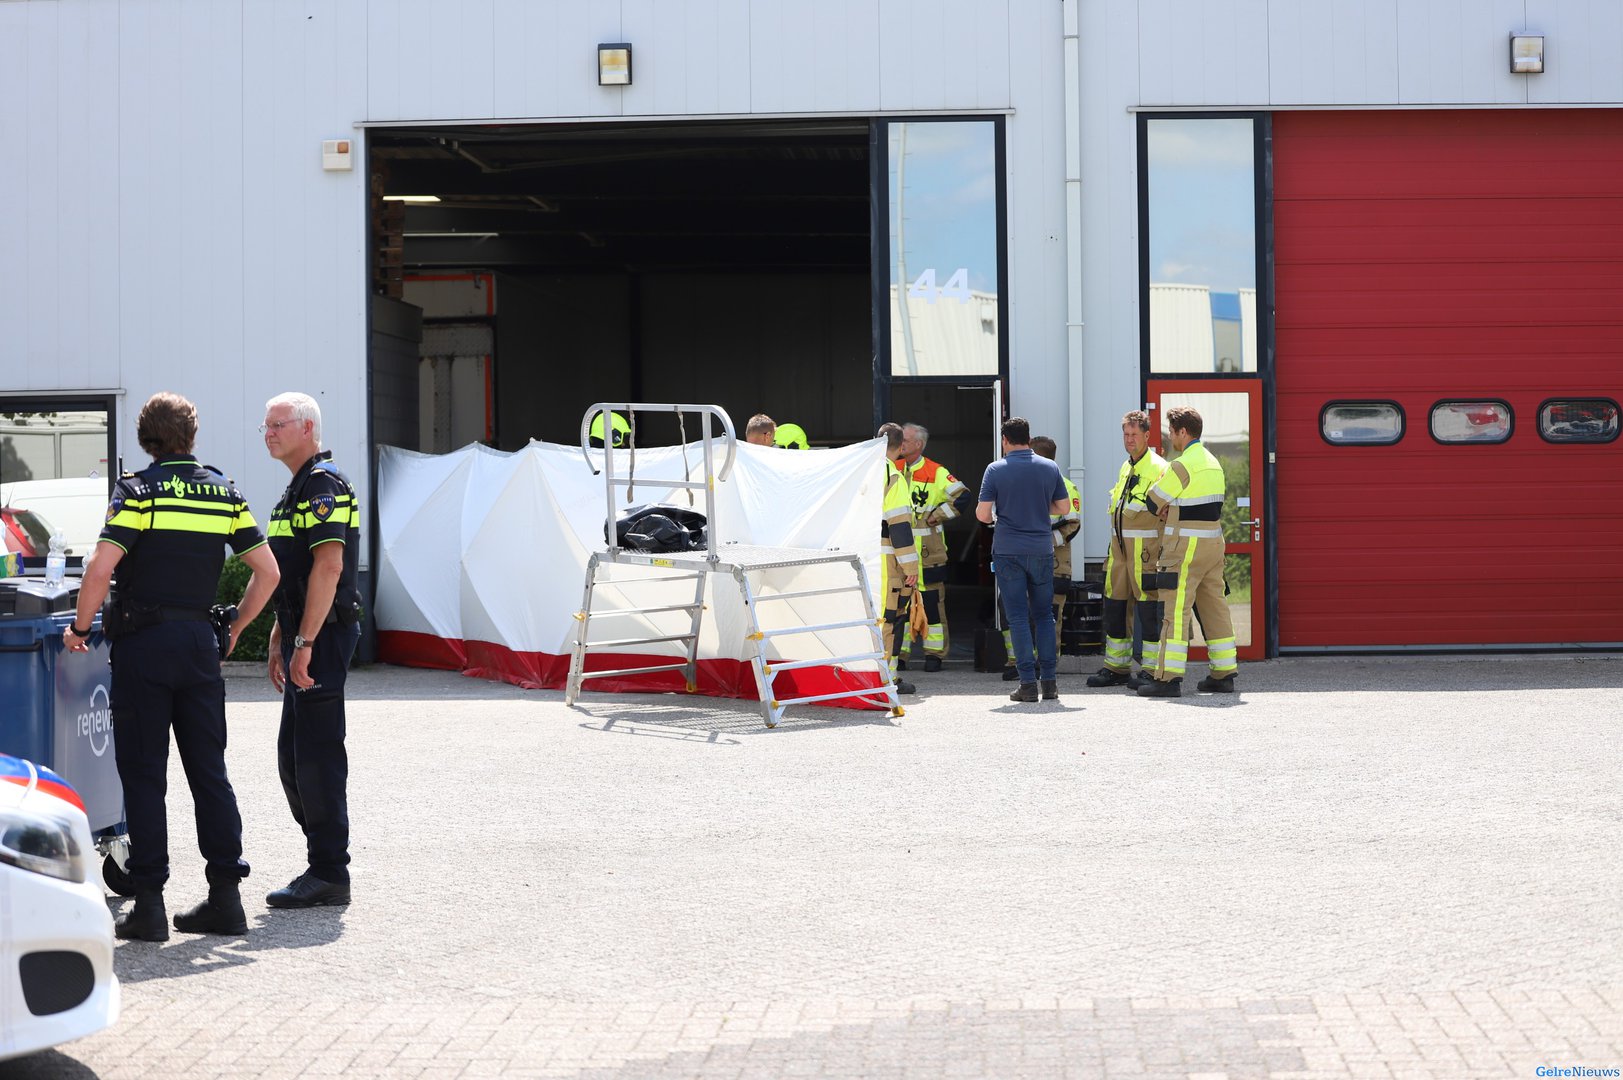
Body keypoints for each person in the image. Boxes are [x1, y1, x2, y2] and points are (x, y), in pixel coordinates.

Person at [64, 391, 280, 941]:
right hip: (199, 647)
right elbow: (268, 571)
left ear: (146, 439)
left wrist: (81, 629)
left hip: (145, 647)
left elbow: (98, 569)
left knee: (144, 775)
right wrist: (233, 627)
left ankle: (151, 907)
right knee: (210, 773)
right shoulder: (222, 490)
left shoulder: (137, 491)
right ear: (192, 436)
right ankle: (226, 901)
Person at [262, 392, 365, 907]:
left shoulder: (323, 486)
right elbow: (292, 575)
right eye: (265, 425)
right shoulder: (295, 491)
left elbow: (329, 567)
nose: (268, 433)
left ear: (307, 428)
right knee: (293, 757)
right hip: (305, 632)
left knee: (317, 757)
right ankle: (322, 861)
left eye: (278, 424)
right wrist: (283, 634)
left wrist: (305, 640)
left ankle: (329, 870)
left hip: (322, 637)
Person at [1138, 405, 1238, 698]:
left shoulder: (1181, 465)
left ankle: (1167, 678)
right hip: (1213, 544)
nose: (1170, 438)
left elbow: (1153, 502)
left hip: (1185, 548)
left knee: (1175, 610)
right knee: (1214, 607)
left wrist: (1164, 495)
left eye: (1171, 432)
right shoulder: (1213, 462)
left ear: (1183, 432)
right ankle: (1223, 673)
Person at [977, 417, 1072, 703]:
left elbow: (982, 514)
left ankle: (1028, 685)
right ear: (1028, 439)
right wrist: (1040, 508)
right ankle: (1050, 684)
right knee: (1044, 615)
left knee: (1018, 618)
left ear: (1005, 440)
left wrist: (999, 514)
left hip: (1008, 550)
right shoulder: (1049, 467)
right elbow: (1064, 507)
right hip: (1042, 550)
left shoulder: (995, 469)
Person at [1086, 410, 1168, 689]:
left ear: (1147, 435)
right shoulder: (1126, 466)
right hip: (1120, 554)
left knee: (1148, 611)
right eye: (1126, 434)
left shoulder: (1158, 467)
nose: (1129, 439)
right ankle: (1116, 668)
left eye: (1134, 434)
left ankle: (1151, 669)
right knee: (1115, 608)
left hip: (1145, 554)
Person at [998, 435, 1080, 680]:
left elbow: (1072, 525)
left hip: (1055, 563)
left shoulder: (1064, 485)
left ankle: (1046, 666)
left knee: (1048, 614)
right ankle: (1018, 661)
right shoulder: (1021, 481)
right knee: (1014, 610)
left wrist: (1044, 540)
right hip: (1022, 558)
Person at [895, 423, 970, 672]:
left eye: (904, 440)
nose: (900, 444)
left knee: (932, 604)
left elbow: (963, 496)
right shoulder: (891, 467)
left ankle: (934, 655)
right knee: (899, 605)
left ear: (918, 444)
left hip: (929, 553)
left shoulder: (935, 471)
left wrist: (937, 515)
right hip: (899, 552)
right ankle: (900, 655)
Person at [876, 423, 918, 695]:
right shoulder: (894, 476)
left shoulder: (860, 469)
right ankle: (885, 680)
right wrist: (911, 567)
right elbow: (899, 526)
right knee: (890, 619)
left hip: (862, 555)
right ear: (901, 447)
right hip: (887, 561)